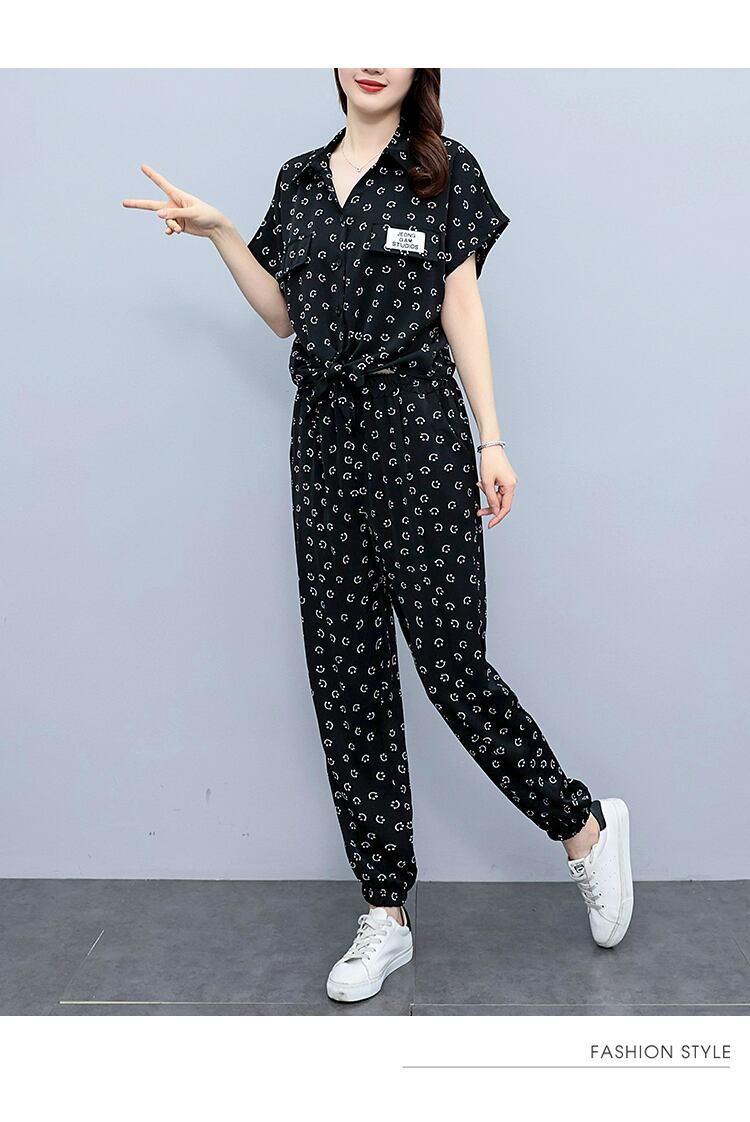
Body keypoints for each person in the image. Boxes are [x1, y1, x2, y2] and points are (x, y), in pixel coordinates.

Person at [123, 67, 634, 1005]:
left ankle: (584, 828)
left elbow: (461, 304)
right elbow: (284, 316)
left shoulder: (443, 170)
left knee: (451, 667)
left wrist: (491, 438)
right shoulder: (297, 179)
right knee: (347, 674)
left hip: (418, 431)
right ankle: (385, 913)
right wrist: (223, 233)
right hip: (323, 440)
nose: (371, 57)